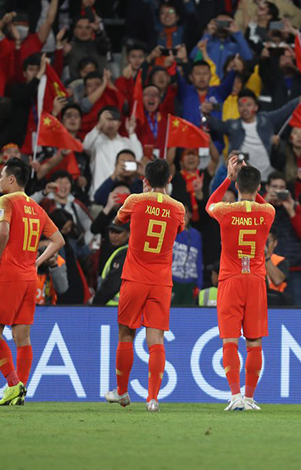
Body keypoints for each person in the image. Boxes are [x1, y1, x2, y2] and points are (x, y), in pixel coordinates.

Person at [105, 159, 185, 412]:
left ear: (145, 180)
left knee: (126, 334)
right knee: (156, 340)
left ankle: (121, 392)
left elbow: (118, 220)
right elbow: (178, 230)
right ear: (169, 180)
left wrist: (143, 194)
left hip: (134, 278)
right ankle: (152, 398)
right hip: (161, 282)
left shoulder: (135, 200)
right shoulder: (178, 208)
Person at [0, 158, 64, 407]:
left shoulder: (5, 201)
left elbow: (3, 231)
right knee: (22, 337)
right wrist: (37, 262)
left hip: (9, 275)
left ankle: (13, 384)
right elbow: (58, 240)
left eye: (1, 176)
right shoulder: (37, 208)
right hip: (29, 277)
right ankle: (20, 391)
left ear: (11, 179)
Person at [206, 156, 275, 410]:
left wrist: (228, 178)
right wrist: (251, 185)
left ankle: (235, 395)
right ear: (259, 188)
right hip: (255, 281)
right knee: (254, 343)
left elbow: (209, 204)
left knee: (230, 341)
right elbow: (262, 203)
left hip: (230, 280)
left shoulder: (225, 210)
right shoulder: (267, 211)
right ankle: (249, 397)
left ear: (237, 186)